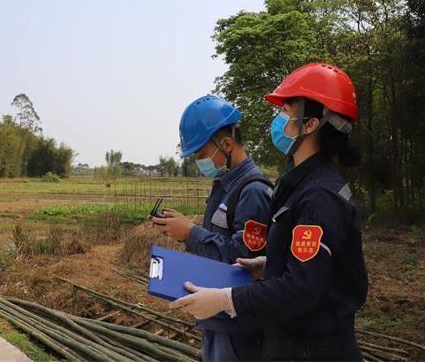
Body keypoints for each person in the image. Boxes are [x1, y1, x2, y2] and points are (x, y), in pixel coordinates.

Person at [170, 64, 369, 361]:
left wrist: (225, 299)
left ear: (311, 124)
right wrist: (269, 264)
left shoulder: (319, 196)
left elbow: (301, 289)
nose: (278, 121)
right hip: (293, 344)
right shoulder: (301, 186)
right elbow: (314, 269)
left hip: (313, 350)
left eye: (285, 111)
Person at [152, 94, 272, 361]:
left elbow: (245, 262)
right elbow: (222, 240)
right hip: (216, 316)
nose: (199, 161)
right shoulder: (224, 187)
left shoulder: (253, 192)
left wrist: (191, 233)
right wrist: (187, 230)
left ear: (226, 144)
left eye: (202, 154)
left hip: (239, 328)